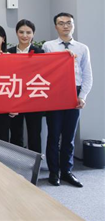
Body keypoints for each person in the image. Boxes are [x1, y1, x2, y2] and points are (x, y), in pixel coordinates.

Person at [43, 13, 92, 188]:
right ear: (55, 26)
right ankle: (53, 172)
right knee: (54, 135)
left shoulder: (82, 48)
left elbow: (87, 75)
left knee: (69, 136)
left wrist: (82, 96)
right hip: (55, 93)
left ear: (73, 25)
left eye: (69, 23)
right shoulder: (48, 46)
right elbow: (44, 70)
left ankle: (67, 171)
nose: (65, 26)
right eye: (61, 23)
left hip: (74, 93)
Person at [6, 19, 44, 154]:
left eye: (28, 32)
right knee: (16, 133)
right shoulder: (8, 52)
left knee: (34, 134)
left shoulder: (40, 52)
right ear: (16, 33)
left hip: (34, 98)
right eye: (21, 32)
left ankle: (35, 164)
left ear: (33, 34)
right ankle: (16, 162)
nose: (25, 35)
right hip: (15, 98)